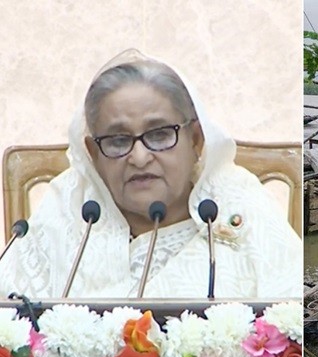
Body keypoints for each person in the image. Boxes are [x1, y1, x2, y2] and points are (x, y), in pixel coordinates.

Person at [0, 49, 302, 298]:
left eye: (158, 135)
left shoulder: (241, 208)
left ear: (195, 140)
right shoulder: (65, 212)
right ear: (94, 155)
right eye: (118, 141)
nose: (140, 157)